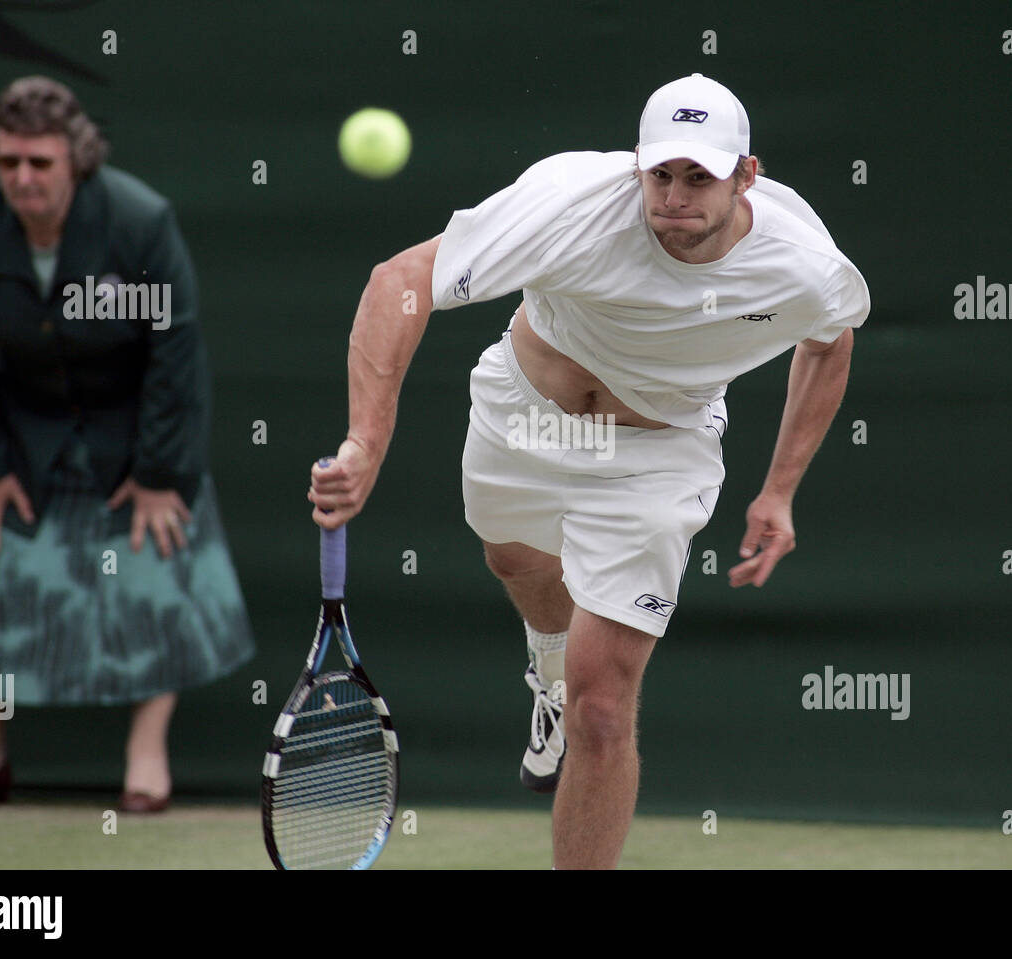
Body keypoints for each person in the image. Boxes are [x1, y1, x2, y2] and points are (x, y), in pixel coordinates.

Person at [308, 74, 869, 867]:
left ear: (748, 175)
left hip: (656, 454)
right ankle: (547, 670)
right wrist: (366, 441)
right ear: (638, 166)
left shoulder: (806, 266)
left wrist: (779, 488)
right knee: (512, 556)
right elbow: (400, 283)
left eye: (700, 177)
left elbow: (830, 342)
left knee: (602, 710)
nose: (675, 196)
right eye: (662, 174)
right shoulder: (569, 202)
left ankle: (571, 706)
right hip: (523, 410)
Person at [0, 76, 255, 813]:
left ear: (76, 159)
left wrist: (162, 472)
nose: (24, 178)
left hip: (132, 429)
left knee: (154, 568)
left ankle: (145, 756)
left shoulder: (139, 219)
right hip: (25, 430)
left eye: (40, 162)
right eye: (8, 163)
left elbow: (177, 350)